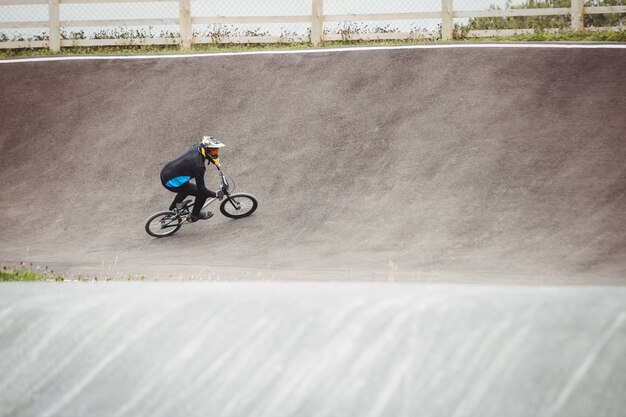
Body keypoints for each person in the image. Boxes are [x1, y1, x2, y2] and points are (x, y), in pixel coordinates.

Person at [160, 136, 225, 222]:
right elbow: (202, 190)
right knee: (201, 195)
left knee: (187, 188)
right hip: (171, 182)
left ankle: (171, 211)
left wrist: (212, 160)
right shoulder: (199, 167)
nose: (216, 153)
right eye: (214, 151)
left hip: (166, 172)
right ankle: (195, 215)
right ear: (206, 151)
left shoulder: (196, 148)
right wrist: (215, 194)